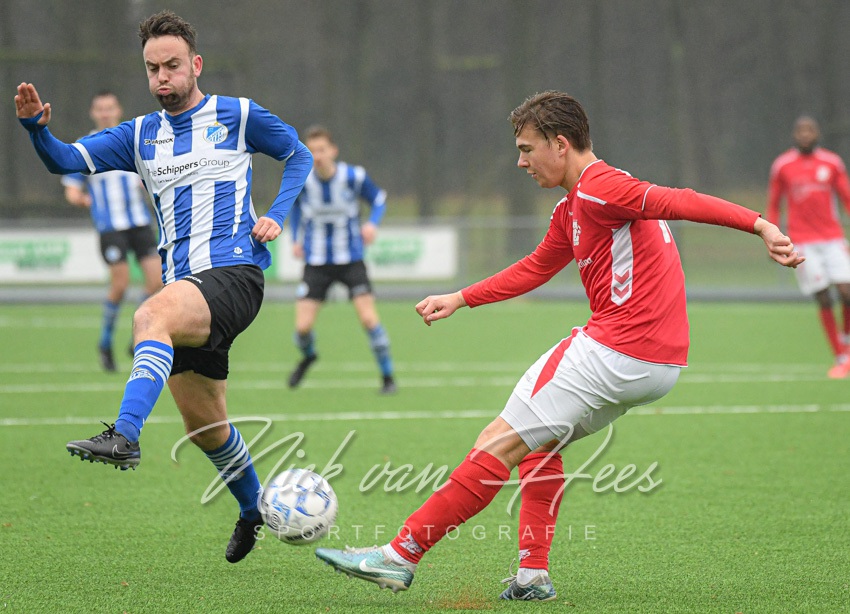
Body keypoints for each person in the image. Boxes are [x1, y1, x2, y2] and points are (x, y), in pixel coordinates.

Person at [314, 91, 803, 600]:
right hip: (658, 365)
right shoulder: (572, 207)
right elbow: (535, 268)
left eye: (527, 149)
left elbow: (679, 199)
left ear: (561, 144)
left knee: (497, 441)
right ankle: (532, 576)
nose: (520, 162)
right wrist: (461, 297)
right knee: (540, 445)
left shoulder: (601, 187)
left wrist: (760, 224)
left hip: (616, 349)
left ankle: (400, 554)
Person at [15, 10, 312, 563]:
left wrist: (277, 212)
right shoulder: (138, 135)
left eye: (172, 66)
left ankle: (125, 435)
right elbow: (65, 161)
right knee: (205, 427)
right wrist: (36, 129)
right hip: (188, 285)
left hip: (234, 273)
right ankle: (253, 510)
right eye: (153, 69)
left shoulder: (238, 114)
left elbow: (299, 153)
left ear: (195, 64)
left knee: (149, 315)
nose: (162, 78)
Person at [286, 125, 396, 394]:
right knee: (302, 328)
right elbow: (296, 208)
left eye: (321, 150)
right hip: (316, 263)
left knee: (369, 320)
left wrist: (372, 224)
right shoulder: (303, 180)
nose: (317, 156)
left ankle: (388, 377)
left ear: (333, 151)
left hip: (351, 261)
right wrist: (296, 239)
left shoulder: (353, 177)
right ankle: (309, 356)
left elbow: (379, 200)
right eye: (312, 151)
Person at [61, 91, 162, 372]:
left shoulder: (134, 141)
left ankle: (138, 335)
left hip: (139, 223)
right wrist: (80, 198)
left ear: (118, 110)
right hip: (110, 227)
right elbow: (71, 187)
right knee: (120, 284)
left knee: (157, 281)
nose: (105, 113)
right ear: (93, 113)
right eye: (100, 108)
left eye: (110, 108)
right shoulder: (86, 146)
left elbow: (152, 176)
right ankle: (105, 342)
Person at [767, 116, 850, 378]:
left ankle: (846, 343)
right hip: (802, 242)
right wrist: (772, 237)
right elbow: (774, 204)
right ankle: (840, 356)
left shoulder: (832, 162)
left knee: (847, 292)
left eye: (810, 130)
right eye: (801, 130)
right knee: (823, 296)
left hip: (832, 238)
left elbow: (847, 197)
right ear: (795, 135)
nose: (805, 134)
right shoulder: (782, 165)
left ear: (817, 133)